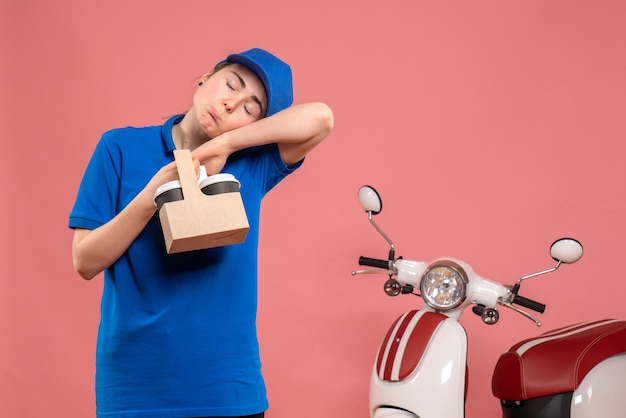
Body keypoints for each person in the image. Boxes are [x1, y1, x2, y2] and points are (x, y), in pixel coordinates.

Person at [69, 48, 333, 418]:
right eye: (231, 85)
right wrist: (150, 197)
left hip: (226, 387)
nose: (229, 105)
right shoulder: (119, 148)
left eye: (249, 107)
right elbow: (85, 260)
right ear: (206, 77)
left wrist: (223, 145)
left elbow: (321, 118)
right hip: (134, 387)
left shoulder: (251, 165)